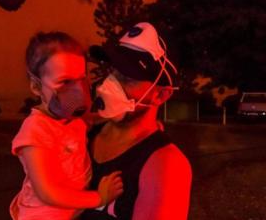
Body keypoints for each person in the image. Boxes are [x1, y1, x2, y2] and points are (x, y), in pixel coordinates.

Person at [81, 22, 192, 220]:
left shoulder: (166, 167)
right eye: (114, 71)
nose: (111, 83)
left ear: (161, 95)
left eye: (129, 77)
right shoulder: (81, 136)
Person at [10, 32, 123, 220]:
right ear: (36, 87)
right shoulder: (36, 130)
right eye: (64, 81)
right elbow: (47, 192)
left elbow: (90, 120)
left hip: (71, 212)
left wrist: (122, 118)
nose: (77, 90)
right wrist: (99, 198)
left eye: (80, 78)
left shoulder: (71, 118)